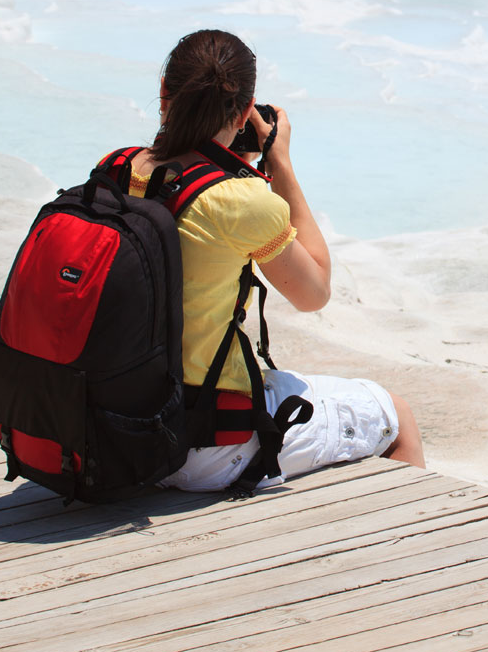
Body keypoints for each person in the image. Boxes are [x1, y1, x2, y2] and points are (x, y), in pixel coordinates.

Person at [122, 29, 424, 492]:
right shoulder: (242, 202)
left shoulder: (118, 169)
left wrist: (233, 161)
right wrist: (278, 161)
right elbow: (315, 291)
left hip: (120, 422)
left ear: (163, 93)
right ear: (245, 111)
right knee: (396, 415)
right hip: (200, 443)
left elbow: (187, 191)